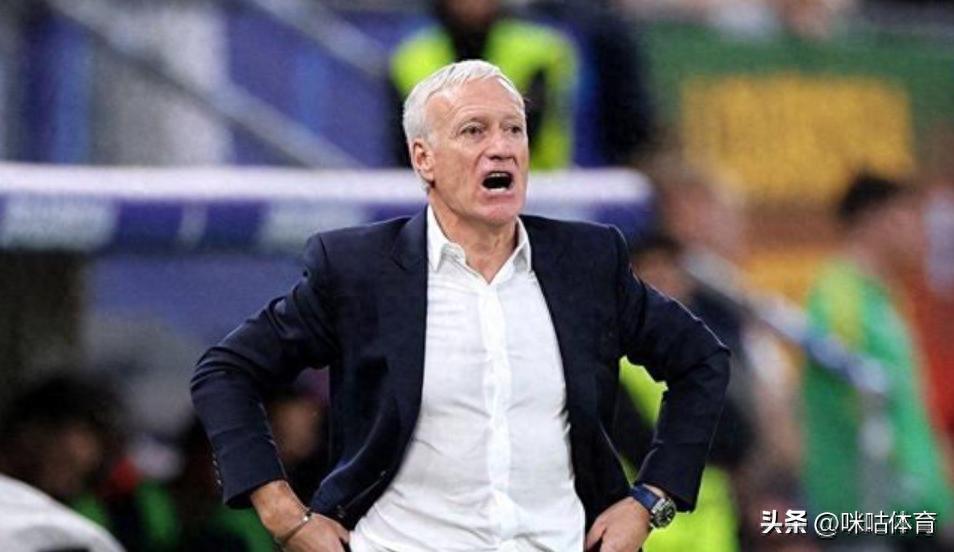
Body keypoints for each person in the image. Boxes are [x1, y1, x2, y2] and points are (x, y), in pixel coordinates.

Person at [192, 60, 729, 552]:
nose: (502, 148)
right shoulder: (360, 271)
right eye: (474, 131)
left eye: (513, 129)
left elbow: (702, 360)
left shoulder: (587, 263)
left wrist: (651, 500)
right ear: (422, 158)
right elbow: (227, 370)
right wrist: (281, 511)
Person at [802, 174, 953, 548]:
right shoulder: (839, 297)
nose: (922, 233)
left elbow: (908, 411)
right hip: (869, 515)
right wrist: (911, 482)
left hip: (911, 510)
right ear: (874, 219)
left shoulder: (884, 299)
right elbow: (849, 403)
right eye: (910, 216)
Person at [388, 0, 578, 170]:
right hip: (437, 188)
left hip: (537, 185)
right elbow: (406, 142)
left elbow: (525, 133)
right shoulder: (412, 57)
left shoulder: (539, 51)